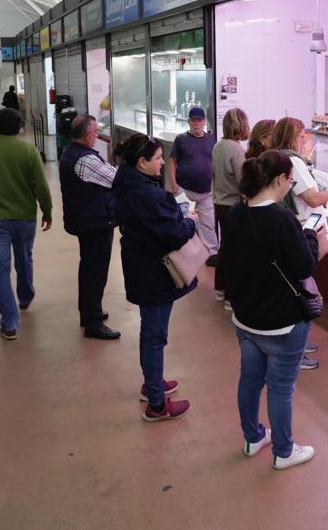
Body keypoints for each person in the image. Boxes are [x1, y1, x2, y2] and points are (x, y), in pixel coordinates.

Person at [223, 151, 320, 470]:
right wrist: (310, 236)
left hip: (246, 316)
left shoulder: (237, 213)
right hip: (282, 323)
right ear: (279, 180)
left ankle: (253, 437)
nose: (291, 186)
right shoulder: (283, 220)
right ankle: (283, 450)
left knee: (249, 380)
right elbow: (304, 266)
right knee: (280, 388)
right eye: (291, 180)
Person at [113, 134, 198, 421]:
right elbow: (174, 233)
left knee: (152, 331)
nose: (163, 163)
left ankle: (153, 384)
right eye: (158, 158)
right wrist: (189, 221)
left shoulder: (127, 183)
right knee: (154, 334)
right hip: (153, 272)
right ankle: (157, 404)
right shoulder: (148, 195)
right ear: (142, 162)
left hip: (141, 264)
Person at [270, 117, 328, 370]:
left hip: (294, 232)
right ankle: (294, 351)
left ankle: (297, 345)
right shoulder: (293, 161)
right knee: (301, 292)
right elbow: (314, 199)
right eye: (304, 135)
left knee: (298, 289)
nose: (308, 139)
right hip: (301, 232)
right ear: (295, 137)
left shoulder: (282, 158)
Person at [0, 108, 53, 341]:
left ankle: (9, 323)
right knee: (24, 258)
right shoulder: (29, 150)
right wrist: (47, 211)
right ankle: (24, 297)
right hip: (25, 217)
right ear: (18, 127)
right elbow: (41, 186)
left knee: (0, 269)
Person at [59, 114, 121, 340]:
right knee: (96, 272)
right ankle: (93, 323)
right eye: (95, 132)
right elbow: (116, 179)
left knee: (88, 268)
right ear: (86, 135)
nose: (97, 135)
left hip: (85, 220)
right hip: (95, 222)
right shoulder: (86, 160)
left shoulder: (70, 153)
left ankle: (88, 312)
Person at [166, 106, 219, 265]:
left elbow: (215, 162)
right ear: (188, 121)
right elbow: (172, 162)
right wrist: (174, 185)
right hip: (185, 190)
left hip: (207, 191)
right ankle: (181, 255)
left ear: (204, 122)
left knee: (208, 224)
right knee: (182, 222)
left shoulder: (212, 139)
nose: (196, 123)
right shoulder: (181, 139)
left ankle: (211, 255)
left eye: (199, 120)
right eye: (193, 120)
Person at [212, 108, 250, 311]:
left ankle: (220, 288)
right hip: (233, 206)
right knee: (235, 251)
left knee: (224, 248)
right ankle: (231, 297)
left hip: (219, 203)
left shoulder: (218, 146)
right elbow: (243, 182)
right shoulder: (236, 150)